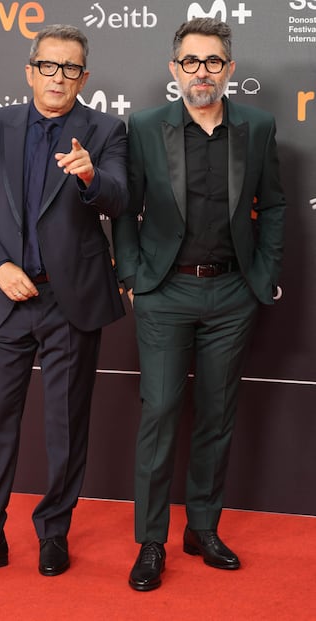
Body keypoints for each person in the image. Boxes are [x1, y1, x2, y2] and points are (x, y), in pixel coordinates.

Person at [0, 24, 127, 580]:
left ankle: (53, 534)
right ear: (30, 70)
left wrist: (91, 175)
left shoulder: (106, 129)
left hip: (73, 301)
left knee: (67, 423)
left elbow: (119, 198)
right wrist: (0, 265)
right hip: (8, 298)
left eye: (70, 69)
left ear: (83, 77)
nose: (58, 77)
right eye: (48, 65)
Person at [113, 17, 286, 591]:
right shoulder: (143, 127)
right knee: (160, 414)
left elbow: (277, 205)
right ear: (174, 69)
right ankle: (152, 541)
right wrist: (134, 276)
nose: (202, 72)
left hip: (233, 293)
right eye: (191, 61)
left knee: (217, 414)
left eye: (213, 61)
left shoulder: (257, 127)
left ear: (229, 69)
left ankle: (203, 528)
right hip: (165, 292)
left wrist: (262, 275)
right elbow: (124, 209)